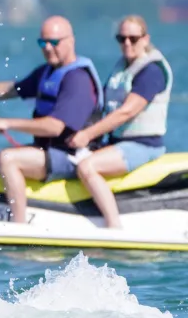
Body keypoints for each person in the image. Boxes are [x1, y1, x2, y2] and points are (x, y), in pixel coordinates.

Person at [0, 16, 103, 223]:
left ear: (70, 41)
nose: (47, 48)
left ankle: (19, 225)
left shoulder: (77, 80)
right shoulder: (48, 72)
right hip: (51, 152)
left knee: (9, 158)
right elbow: (8, 90)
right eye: (42, 42)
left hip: (73, 156)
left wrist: (7, 122)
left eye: (54, 42)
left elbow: (54, 127)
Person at [67, 15, 172, 228]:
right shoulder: (122, 68)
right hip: (118, 143)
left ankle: (114, 226)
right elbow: (102, 106)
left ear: (145, 39)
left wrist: (88, 135)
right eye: (121, 38)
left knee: (87, 167)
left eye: (133, 38)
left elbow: (126, 112)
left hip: (143, 145)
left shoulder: (151, 71)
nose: (126, 43)